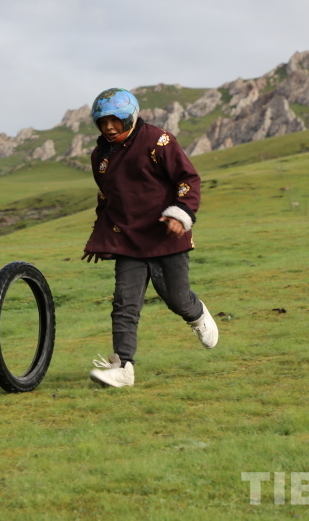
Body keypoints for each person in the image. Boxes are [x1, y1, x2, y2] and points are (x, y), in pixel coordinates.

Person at [81, 88, 218, 388]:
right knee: (124, 304)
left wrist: (180, 215)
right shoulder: (100, 157)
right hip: (128, 241)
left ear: (130, 116)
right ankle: (123, 367)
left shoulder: (159, 141)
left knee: (177, 299)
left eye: (115, 121)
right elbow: (106, 199)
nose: (109, 128)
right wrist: (99, 238)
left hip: (167, 234)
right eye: (102, 122)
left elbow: (187, 179)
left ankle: (197, 314)